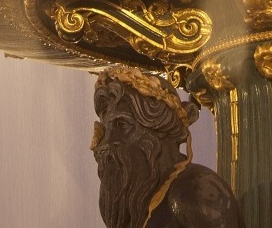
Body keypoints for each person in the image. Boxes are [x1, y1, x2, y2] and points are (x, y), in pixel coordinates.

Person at [93, 64, 243, 228]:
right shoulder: (128, 201)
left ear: (160, 127)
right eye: (106, 129)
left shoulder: (194, 193)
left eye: (122, 125)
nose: (107, 142)